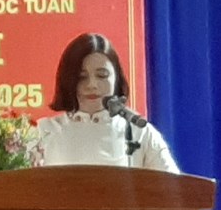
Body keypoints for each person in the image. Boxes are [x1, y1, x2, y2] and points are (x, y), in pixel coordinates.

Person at [38, 33, 179, 172]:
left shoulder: (139, 132)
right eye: (82, 77)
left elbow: (173, 185)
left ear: (116, 78)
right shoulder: (43, 132)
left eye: (102, 76)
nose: (92, 85)